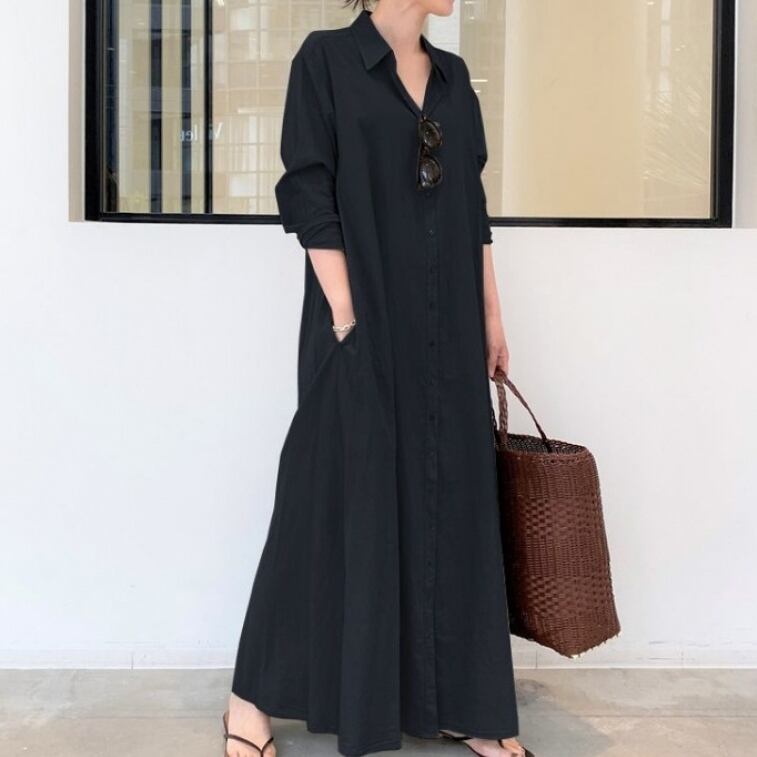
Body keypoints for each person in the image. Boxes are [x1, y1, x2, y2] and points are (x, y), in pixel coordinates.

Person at [224, 2, 533, 756]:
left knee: (451, 503)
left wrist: (492, 318)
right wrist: (346, 315)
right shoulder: (325, 61)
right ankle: (250, 697)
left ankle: (459, 702)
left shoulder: (454, 78)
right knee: (326, 499)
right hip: (359, 325)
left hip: (448, 328)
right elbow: (308, 191)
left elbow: (471, 209)